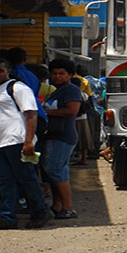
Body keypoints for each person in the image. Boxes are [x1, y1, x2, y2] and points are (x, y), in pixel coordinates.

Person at [0, 58, 53, 229]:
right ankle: (7, 217)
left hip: (16, 141)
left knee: (26, 178)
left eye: (0, 70)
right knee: (6, 180)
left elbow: (31, 114)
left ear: (8, 71)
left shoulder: (18, 88)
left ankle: (41, 211)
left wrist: (28, 142)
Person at [41, 59, 85, 219]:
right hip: (54, 136)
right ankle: (57, 205)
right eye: (54, 73)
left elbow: (72, 110)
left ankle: (68, 207)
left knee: (56, 170)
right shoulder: (56, 90)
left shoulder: (71, 89)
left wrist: (45, 113)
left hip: (63, 136)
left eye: (61, 73)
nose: (57, 76)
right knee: (54, 171)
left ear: (70, 75)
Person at [2, 48, 49, 121]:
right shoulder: (32, 77)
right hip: (36, 114)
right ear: (24, 60)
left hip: (16, 115)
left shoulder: (7, 76)